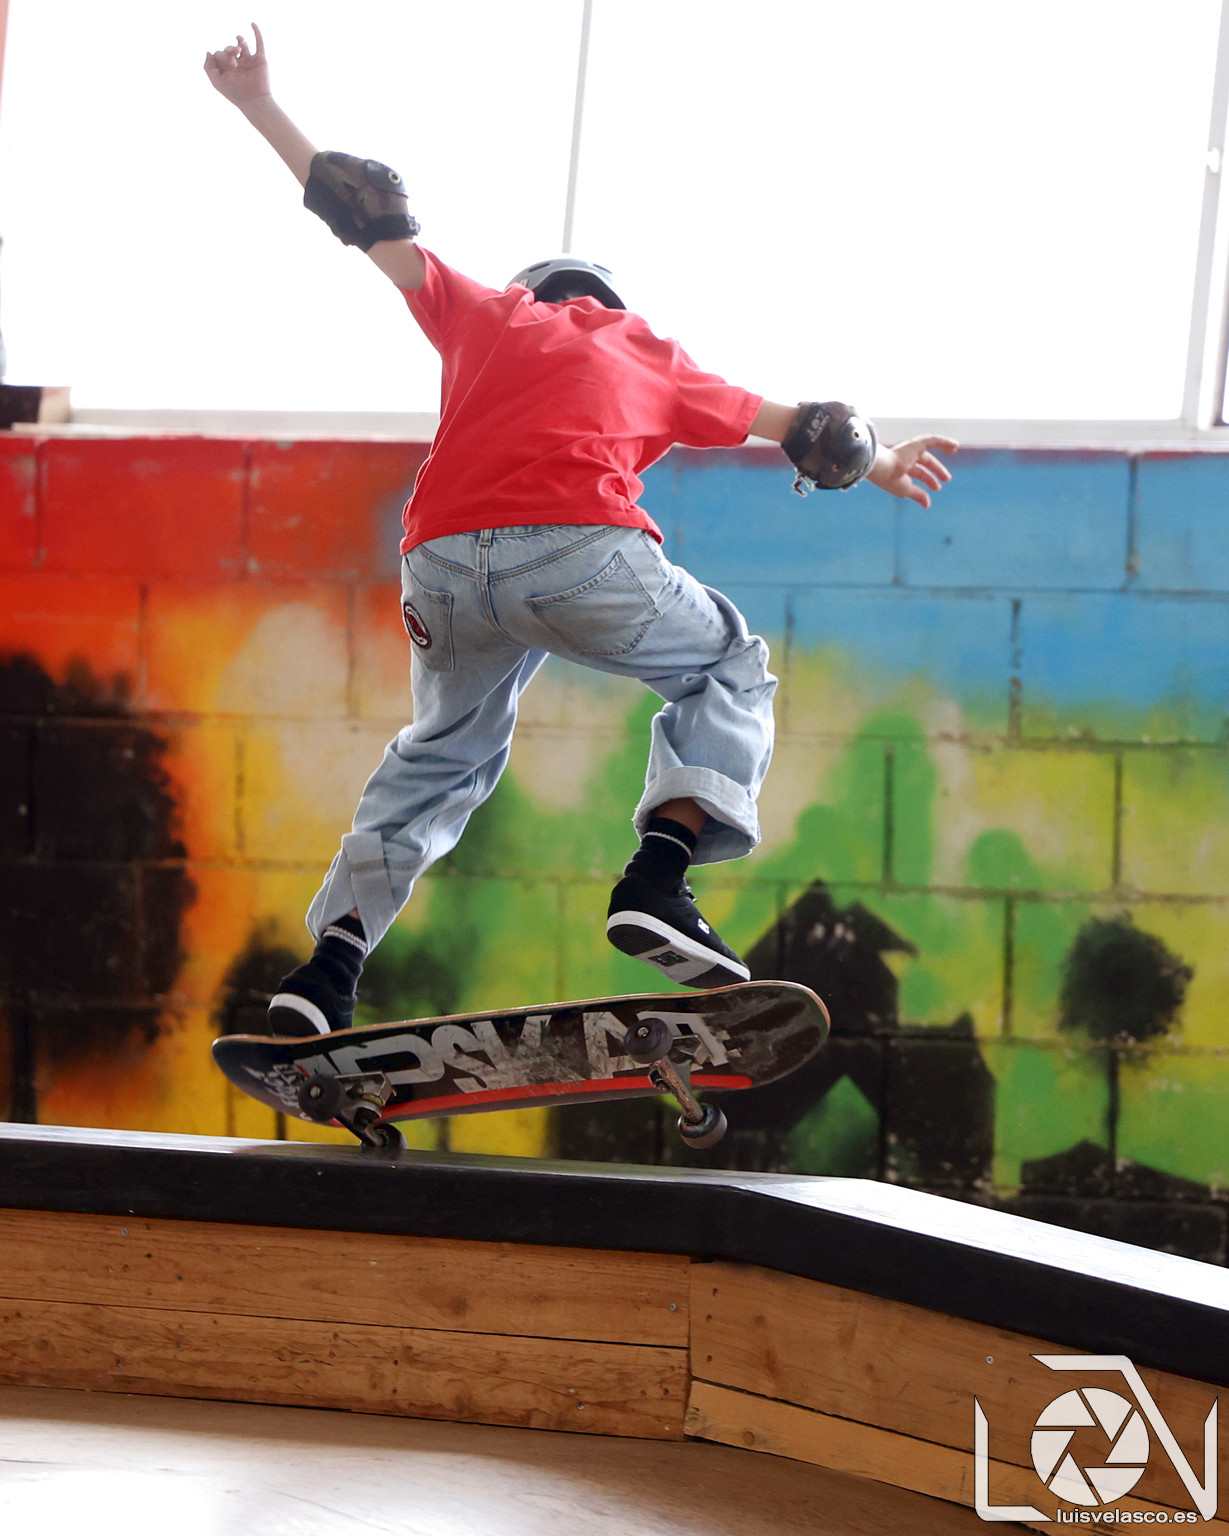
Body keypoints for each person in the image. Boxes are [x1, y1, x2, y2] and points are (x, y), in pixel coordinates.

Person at [204, 25, 957, 1038]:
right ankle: (658, 879)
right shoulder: (641, 344)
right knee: (728, 665)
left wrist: (257, 102)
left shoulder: (483, 310)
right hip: (576, 550)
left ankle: (328, 969)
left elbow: (360, 204)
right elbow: (819, 434)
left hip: (437, 567)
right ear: (606, 302)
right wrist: (885, 461)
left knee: (439, 752)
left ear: (535, 291)